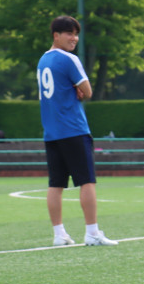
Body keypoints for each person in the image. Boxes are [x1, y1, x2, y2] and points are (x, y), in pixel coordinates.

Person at [37, 15, 117, 247]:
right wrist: (78, 88)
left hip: (51, 132)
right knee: (87, 181)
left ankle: (59, 234)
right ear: (56, 35)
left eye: (76, 34)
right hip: (73, 129)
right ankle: (92, 233)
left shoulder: (42, 60)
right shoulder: (69, 59)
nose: (74, 38)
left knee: (55, 185)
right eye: (69, 34)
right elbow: (87, 91)